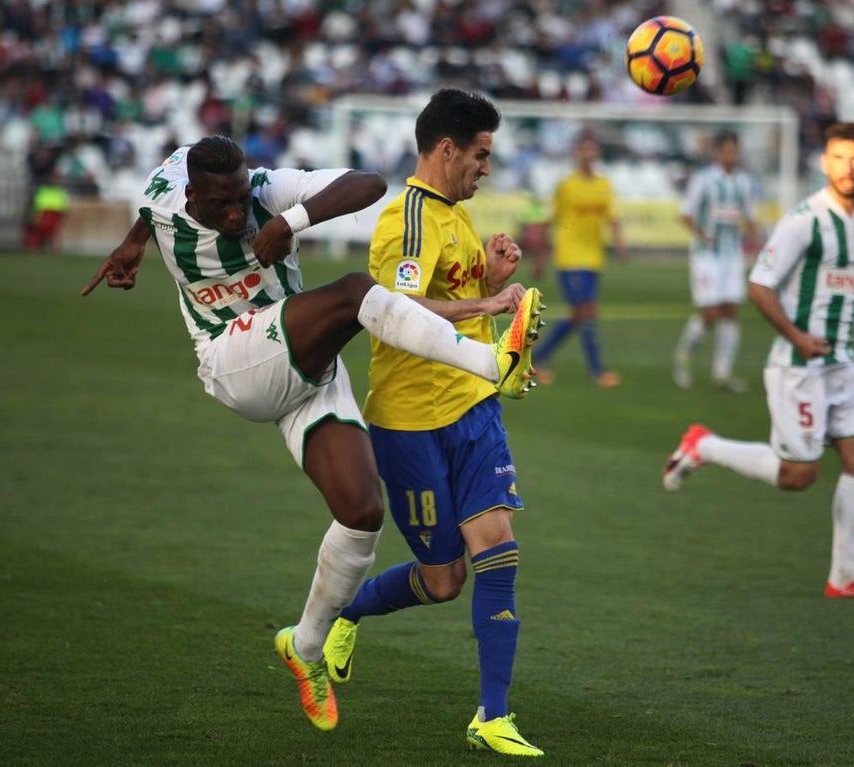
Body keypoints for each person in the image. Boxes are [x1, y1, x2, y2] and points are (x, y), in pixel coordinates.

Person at [80, 135, 543, 733]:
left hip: (301, 359)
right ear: (192, 193)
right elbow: (151, 209)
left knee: (362, 512)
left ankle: (304, 646)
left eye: (241, 200)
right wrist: (134, 242)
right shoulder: (165, 189)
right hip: (232, 356)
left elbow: (370, 183)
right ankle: (492, 364)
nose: (235, 215)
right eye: (220, 205)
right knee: (353, 293)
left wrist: (289, 219)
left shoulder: (263, 190)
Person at [318, 89, 546, 757]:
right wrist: (496, 297)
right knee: (444, 578)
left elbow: (455, 304)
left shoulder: (455, 215)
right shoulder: (406, 220)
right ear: (446, 149)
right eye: (480, 154)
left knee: (498, 546)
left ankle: (491, 715)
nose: (486, 167)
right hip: (410, 421)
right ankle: (347, 611)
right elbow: (404, 312)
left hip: (473, 406)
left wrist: (492, 275)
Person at [662, 122, 854, 600]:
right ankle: (705, 446)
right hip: (798, 368)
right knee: (799, 476)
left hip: (844, 365)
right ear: (826, 163)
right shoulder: (806, 219)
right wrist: (798, 337)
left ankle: (843, 578)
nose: (849, 167)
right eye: (840, 157)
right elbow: (759, 285)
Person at [530, 129, 627, 387]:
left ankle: (537, 359)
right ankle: (597, 371)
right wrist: (540, 260)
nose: (588, 154)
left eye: (592, 149)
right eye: (584, 149)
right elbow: (547, 222)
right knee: (586, 312)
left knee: (579, 315)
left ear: (597, 153)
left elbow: (613, 217)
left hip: (594, 258)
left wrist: (619, 244)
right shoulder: (566, 186)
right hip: (570, 258)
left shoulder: (603, 185)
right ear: (576, 153)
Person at [672, 130, 760, 392]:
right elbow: (685, 214)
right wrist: (703, 235)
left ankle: (722, 373)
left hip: (732, 255)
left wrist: (758, 243)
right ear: (717, 153)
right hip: (706, 255)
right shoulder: (704, 180)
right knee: (709, 314)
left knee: (731, 312)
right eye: (726, 150)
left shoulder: (744, 182)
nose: (730, 155)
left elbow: (750, 216)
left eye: (734, 150)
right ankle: (683, 357)